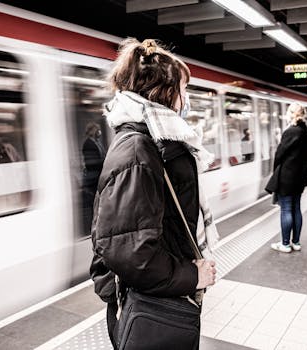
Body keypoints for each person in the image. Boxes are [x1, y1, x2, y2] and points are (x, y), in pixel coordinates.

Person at [89, 38, 217, 348]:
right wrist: (191, 276)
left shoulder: (154, 143)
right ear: (166, 91)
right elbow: (129, 251)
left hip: (161, 296)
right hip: (153, 304)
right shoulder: (137, 150)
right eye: (183, 90)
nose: (185, 99)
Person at [265, 102, 307, 253]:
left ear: (291, 114)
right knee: (296, 208)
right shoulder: (306, 131)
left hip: (287, 176)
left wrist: (275, 171)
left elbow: (279, 154)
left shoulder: (290, 132)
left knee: (286, 209)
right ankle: (296, 242)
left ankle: (285, 244)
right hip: (300, 177)